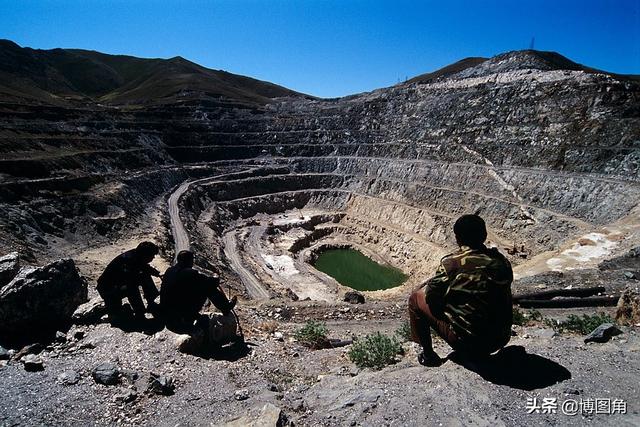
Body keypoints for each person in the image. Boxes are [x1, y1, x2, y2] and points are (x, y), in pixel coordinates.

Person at [408, 214, 513, 366]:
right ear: (484, 236)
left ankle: (428, 356)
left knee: (416, 298)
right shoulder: (502, 262)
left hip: (469, 344)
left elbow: (431, 297)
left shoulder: (451, 264)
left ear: (458, 238)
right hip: (500, 338)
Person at [160, 250, 237, 333]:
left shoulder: (169, 270)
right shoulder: (189, 273)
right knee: (208, 288)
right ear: (189, 261)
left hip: (167, 311)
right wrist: (216, 277)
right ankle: (225, 307)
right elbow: (210, 283)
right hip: (180, 313)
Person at [97, 241, 161, 323]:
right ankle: (139, 312)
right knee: (118, 316)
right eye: (152, 255)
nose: (153, 258)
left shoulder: (137, 256)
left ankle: (151, 302)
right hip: (109, 290)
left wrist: (157, 274)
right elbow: (130, 285)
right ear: (145, 255)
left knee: (144, 276)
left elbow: (145, 267)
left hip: (117, 285)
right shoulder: (128, 261)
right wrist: (140, 311)